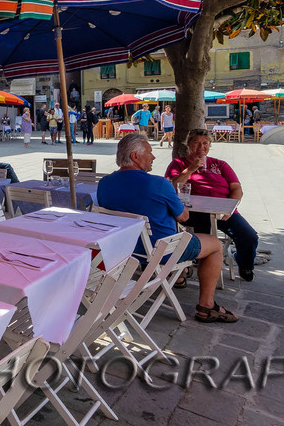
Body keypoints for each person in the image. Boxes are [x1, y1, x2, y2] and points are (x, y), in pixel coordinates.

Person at [96, 132, 232, 322]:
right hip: (162, 251)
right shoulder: (158, 184)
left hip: (124, 250)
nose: (153, 157)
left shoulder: (104, 183)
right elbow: (184, 217)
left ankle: (180, 275)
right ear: (135, 157)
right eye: (149, 153)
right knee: (215, 245)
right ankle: (207, 305)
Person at [166, 128, 260, 281]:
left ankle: (245, 263)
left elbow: (236, 188)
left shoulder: (220, 164)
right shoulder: (178, 163)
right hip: (192, 211)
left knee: (249, 236)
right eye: (196, 143)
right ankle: (201, 261)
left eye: (205, 143)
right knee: (204, 230)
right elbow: (171, 187)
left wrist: (230, 208)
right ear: (189, 144)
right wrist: (191, 169)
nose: (201, 147)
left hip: (222, 210)